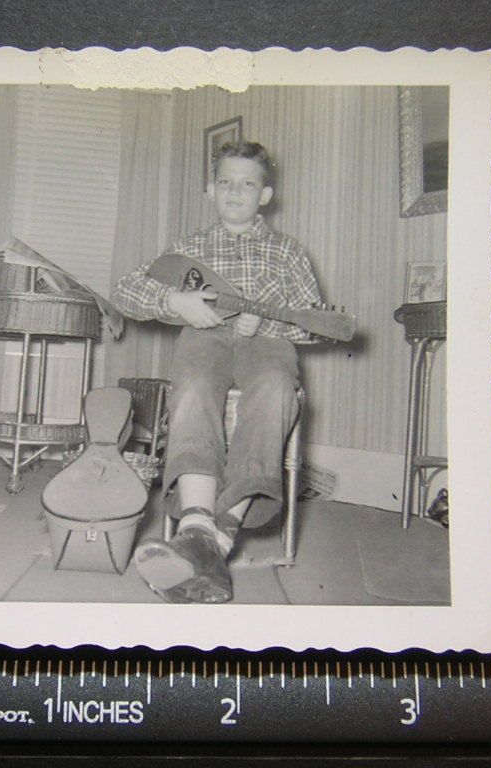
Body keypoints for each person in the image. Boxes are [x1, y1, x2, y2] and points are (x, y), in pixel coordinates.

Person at [111, 140, 322, 603]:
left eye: (247, 184)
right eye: (225, 182)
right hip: (204, 339)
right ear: (210, 189)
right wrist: (175, 301)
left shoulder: (287, 252)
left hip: (266, 342)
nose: (235, 192)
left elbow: (314, 321)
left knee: (274, 387)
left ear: (265, 195)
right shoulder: (190, 247)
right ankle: (201, 524)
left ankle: (209, 536)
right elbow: (126, 290)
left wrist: (267, 319)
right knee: (192, 386)